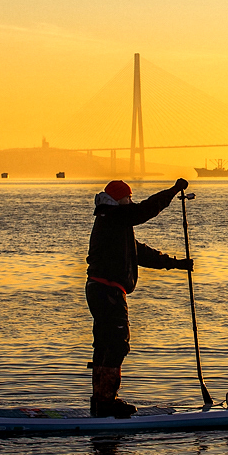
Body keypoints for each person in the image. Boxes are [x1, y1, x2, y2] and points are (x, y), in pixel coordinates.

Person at [86, 178, 193, 418]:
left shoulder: (112, 222)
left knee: (104, 345)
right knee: (116, 344)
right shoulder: (114, 216)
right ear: (117, 199)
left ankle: (100, 401)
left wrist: (176, 264)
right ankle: (106, 402)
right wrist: (173, 191)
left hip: (99, 290)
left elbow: (140, 254)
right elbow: (146, 210)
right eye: (128, 198)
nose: (130, 202)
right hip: (108, 292)